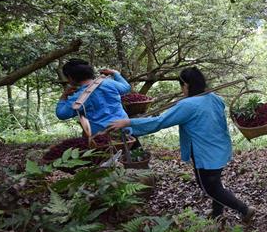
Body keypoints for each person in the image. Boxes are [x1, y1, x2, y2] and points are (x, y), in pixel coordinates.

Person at [108, 67, 255, 222]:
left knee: (210, 188)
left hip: (205, 153)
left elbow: (160, 122)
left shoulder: (187, 105)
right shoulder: (214, 98)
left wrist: (129, 123)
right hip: (220, 148)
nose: (181, 90)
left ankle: (244, 210)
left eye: (181, 86)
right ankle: (217, 214)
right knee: (215, 182)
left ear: (186, 85)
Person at [55, 59, 132, 135]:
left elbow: (62, 114)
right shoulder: (108, 83)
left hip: (102, 137)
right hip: (125, 129)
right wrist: (114, 73)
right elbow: (126, 88)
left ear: (70, 77)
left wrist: (64, 96)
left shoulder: (78, 97)